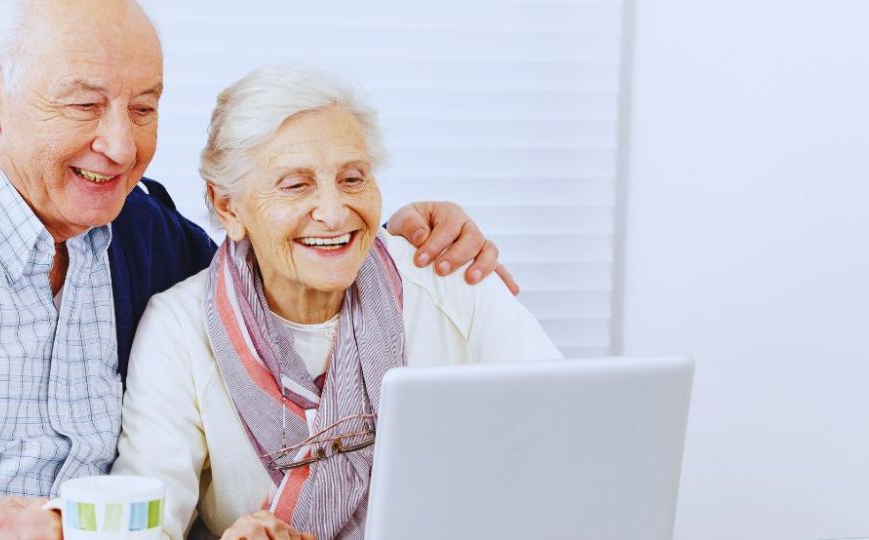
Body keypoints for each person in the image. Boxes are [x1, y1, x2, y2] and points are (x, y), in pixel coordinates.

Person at [0, 2, 513, 539]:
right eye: (85, 105)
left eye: (146, 106)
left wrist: (392, 240)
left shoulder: (152, 242)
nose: (120, 147)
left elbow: (269, 272)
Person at [110, 66, 563, 540]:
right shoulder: (178, 328)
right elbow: (140, 525)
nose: (333, 213)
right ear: (228, 207)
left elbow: (567, 435)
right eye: (295, 185)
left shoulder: (451, 279)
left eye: (352, 179)